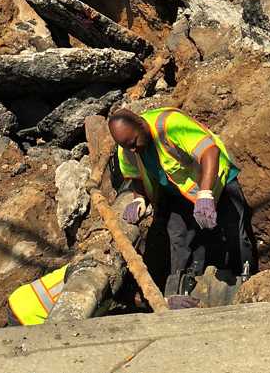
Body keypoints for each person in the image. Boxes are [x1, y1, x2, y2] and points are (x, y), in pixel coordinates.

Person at [108, 108, 255, 302]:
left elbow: (210, 152)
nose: (133, 149)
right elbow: (135, 175)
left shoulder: (171, 125)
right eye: (127, 146)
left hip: (218, 182)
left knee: (234, 234)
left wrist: (205, 193)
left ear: (141, 125)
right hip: (179, 193)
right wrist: (139, 199)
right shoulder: (126, 147)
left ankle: (246, 285)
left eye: (134, 143)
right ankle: (181, 293)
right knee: (180, 240)